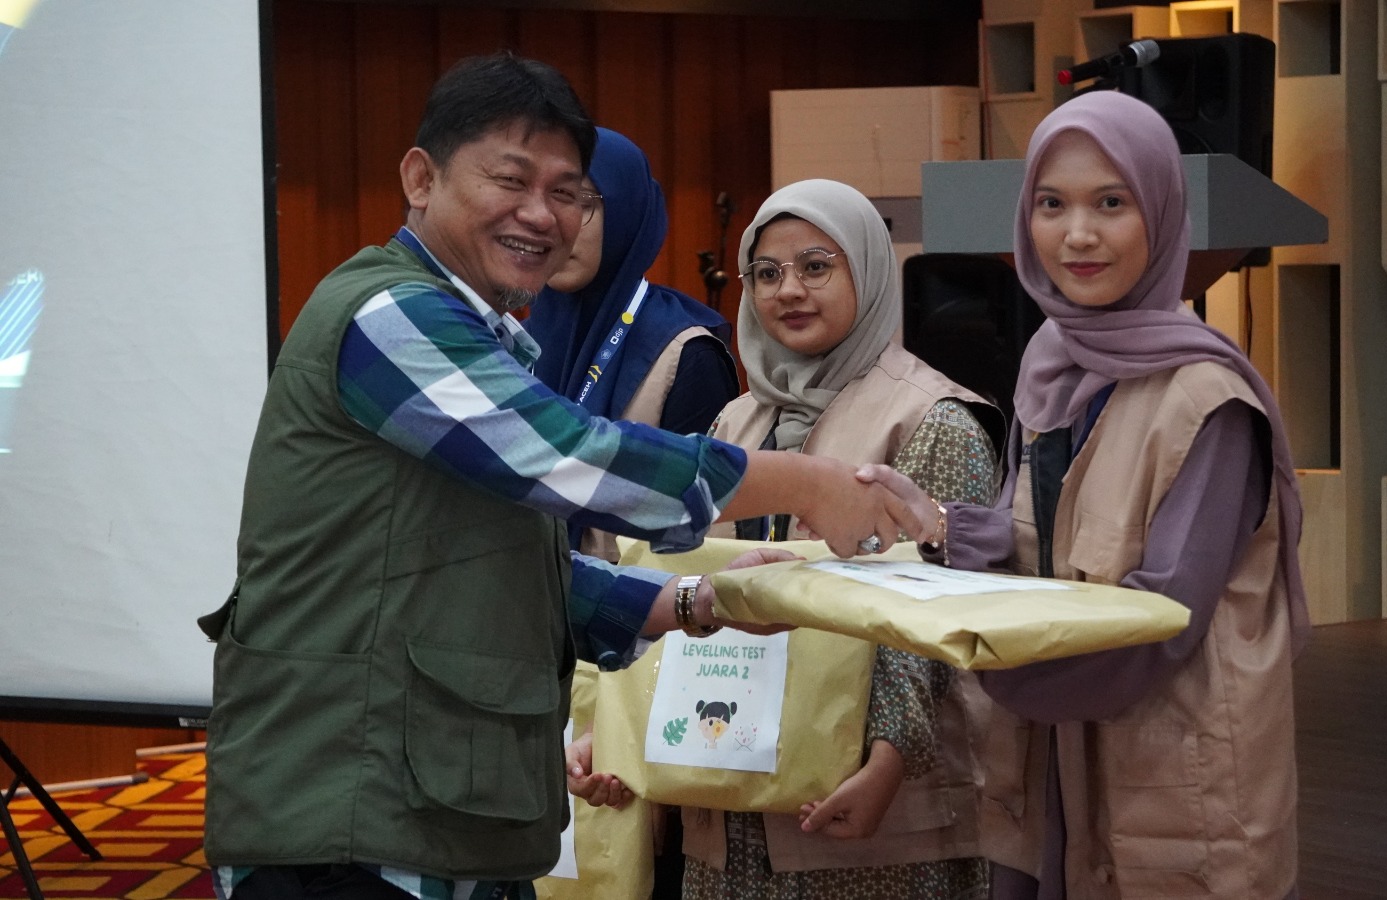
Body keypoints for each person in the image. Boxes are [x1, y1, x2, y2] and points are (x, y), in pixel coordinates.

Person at [199, 53, 937, 900]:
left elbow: (500, 562)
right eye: (511, 180)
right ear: (421, 178)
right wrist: (809, 483)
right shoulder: (390, 315)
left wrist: (703, 601)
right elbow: (573, 458)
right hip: (346, 828)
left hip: (437, 823)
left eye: (568, 193)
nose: (541, 215)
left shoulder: (487, 337)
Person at [905, 90, 1312, 899]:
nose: (1078, 234)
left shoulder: (1208, 401)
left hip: (1168, 778)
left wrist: (996, 673)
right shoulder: (1048, 368)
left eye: (1111, 203)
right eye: (1051, 204)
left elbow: (1162, 621)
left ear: (1160, 213)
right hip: (1048, 768)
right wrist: (934, 524)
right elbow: (1038, 541)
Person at [569, 178, 1004, 899]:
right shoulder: (734, 423)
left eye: (816, 266)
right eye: (767, 273)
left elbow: (938, 616)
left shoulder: (935, 419)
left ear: (867, 270)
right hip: (728, 805)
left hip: (867, 807)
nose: (789, 290)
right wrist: (615, 731)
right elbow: (692, 587)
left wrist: (891, 756)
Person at [528, 127, 739, 563]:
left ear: (626, 212)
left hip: (641, 601)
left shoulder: (687, 354)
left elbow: (699, 536)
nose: (554, 223)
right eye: (546, 200)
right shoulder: (517, 339)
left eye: (578, 201)